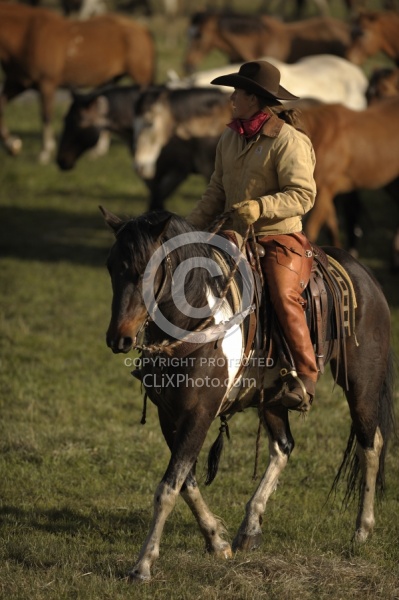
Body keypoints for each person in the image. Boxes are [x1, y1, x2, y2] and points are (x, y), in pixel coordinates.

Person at [187, 60, 318, 411]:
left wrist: (260, 208)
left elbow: (304, 196)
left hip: (278, 239)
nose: (231, 99)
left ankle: (305, 378)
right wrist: (186, 231)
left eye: (237, 93)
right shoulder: (230, 138)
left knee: (282, 294)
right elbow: (216, 191)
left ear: (255, 99)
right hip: (232, 235)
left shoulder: (289, 142)